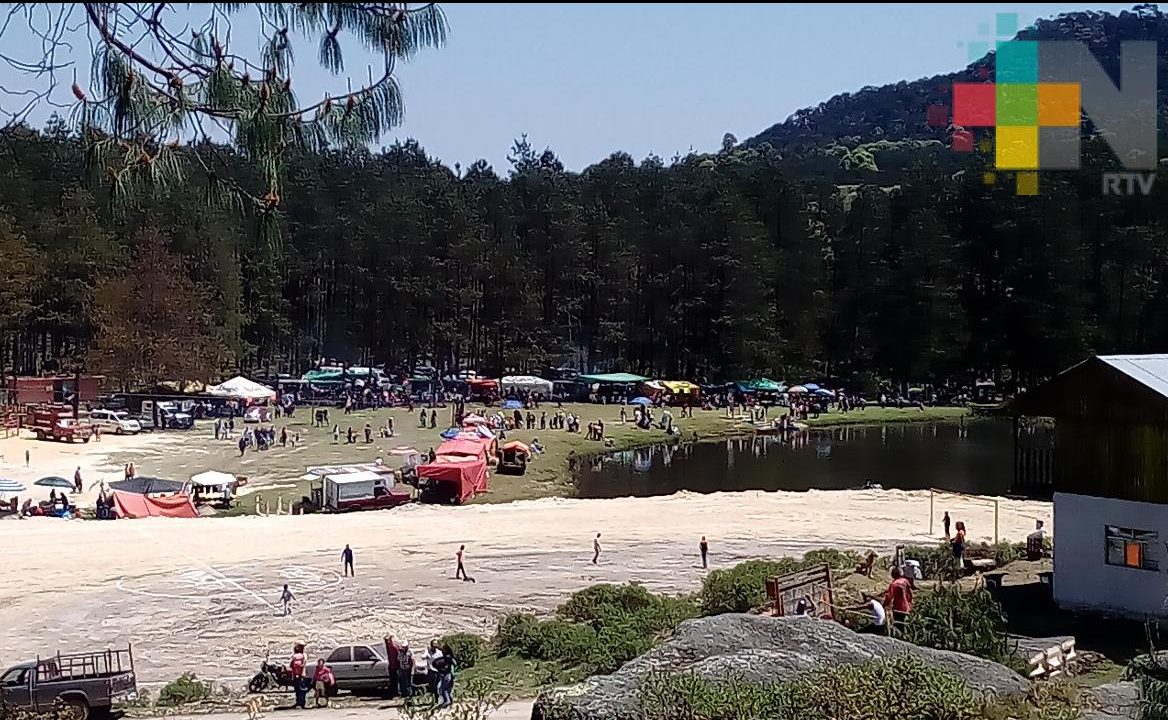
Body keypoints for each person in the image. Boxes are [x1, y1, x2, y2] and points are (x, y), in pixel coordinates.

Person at [290, 643, 308, 709]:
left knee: (300, 689)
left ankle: (301, 703)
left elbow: (291, 665)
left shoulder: (296, 655)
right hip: (298, 674)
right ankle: (299, 703)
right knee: (299, 689)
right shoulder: (303, 655)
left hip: (299, 674)